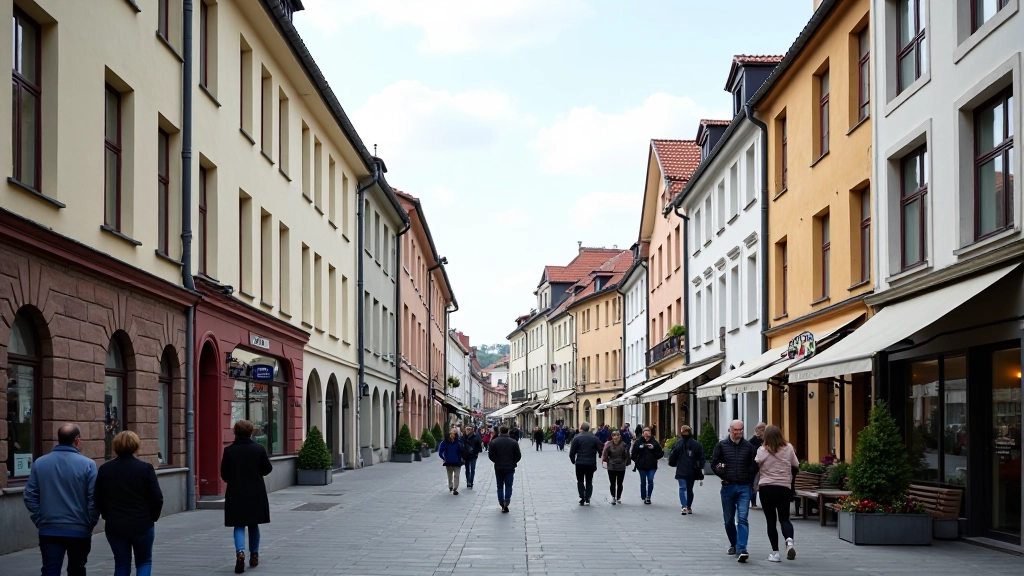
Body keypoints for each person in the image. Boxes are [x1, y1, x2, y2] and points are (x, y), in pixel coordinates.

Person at [23, 423, 99, 576]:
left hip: (49, 528)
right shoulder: (88, 465)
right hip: (79, 529)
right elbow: (94, 499)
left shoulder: (40, 463)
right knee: (77, 570)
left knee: (50, 570)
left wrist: (39, 518)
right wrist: (90, 521)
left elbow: (29, 495)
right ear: (77, 440)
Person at [95, 430, 164, 576]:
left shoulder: (105, 469)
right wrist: (152, 517)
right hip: (142, 523)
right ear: (136, 446)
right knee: (144, 561)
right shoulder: (145, 468)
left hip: (115, 524)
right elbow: (157, 497)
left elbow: (98, 497)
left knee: (121, 563)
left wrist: (107, 515)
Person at [221, 419, 273, 574]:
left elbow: (224, 474)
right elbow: (267, 469)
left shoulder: (229, 451)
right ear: (251, 432)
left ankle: (240, 553)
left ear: (235, 433)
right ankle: (254, 555)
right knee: (253, 524)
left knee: (238, 524)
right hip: (255, 491)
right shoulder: (258, 449)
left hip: (235, 492)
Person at [711, 420, 758, 563]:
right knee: (728, 520)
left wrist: (747, 476)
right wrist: (722, 473)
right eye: (735, 430)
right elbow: (714, 464)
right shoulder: (721, 446)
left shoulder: (749, 447)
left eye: (741, 430)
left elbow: (755, 465)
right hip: (727, 486)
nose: (738, 432)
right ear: (730, 430)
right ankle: (734, 543)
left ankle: (742, 548)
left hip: (744, 486)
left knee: (742, 518)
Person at [755, 425, 799, 562]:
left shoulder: (762, 450)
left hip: (767, 487)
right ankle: (789, 541)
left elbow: (755, 465)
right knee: (785, 518)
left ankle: (775, 553)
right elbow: (796, 465)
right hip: (784, 488)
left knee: (771, 520)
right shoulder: (789, 448)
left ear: (765, 437)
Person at [668, 425, 704, 515]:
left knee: (683, 488)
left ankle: (685, 506)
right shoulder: (696, 444)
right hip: (692, 469)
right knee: (688, 489)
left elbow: (672, 455)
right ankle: (687, 506)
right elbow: (702, 457)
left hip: (682, 468)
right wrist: (700, 468)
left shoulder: (679, 443)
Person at [488, 425, 522, 513]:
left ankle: (501, 502)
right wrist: (513, 462)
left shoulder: (494, 442)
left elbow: (490, 455)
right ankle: (507, 500)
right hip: (510, 467)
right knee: (508, 485)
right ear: (508, 431)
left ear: (500, 431)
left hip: (498, 467)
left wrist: (496, 461)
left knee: (499, 486)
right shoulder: (513, 442)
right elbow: (518, 456)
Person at [569, 422, 604, 505]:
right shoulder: (594, 438)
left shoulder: (577, 438)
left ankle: (582, 496)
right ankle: (587, 497)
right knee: (589, 480)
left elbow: (572, 451)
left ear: (581, 428)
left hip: (580, 462)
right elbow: (600, 448)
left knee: (580, 480)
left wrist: (573, 460)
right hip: (591, 463)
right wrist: (599, 455)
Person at [630, 427, 664, 505]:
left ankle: (648, 496)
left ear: (650, 434)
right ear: (642, 434)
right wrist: (637, 461)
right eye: (644, 433)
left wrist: (653, 449)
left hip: (652, 465)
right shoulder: (638, 442)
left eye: (648, 432)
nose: (646, 435)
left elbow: (660, 453)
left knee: (650, 480)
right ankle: (643, 496)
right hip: (641, 466)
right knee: (643, 481)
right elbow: (633, 453)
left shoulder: (655, 442)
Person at [601, 430, 631, 505]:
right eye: (614, 436)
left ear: (620, 437)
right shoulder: (609, 444)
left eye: (617, 436)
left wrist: (626, 462)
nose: (616, 437)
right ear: (612, 437)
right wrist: (605, 461)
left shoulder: (623, 445)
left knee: (620, 483)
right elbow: (605, 454)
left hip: (621, 466)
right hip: (611, 466)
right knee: (612, 482)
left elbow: (627, 454)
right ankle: (613, 496)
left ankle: (619, 497)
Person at [437, 428, 464, 495]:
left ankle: (455, 489)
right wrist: (443, 458)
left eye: (454, 432)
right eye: (452, 432)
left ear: (456, 434)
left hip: (457, 461)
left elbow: (463, 450)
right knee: (450, 475)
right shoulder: (445, 442)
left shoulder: (459, 441)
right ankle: (450, 486)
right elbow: (440, 451)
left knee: (456, 476)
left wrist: (462, 458)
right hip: (448, 461)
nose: (453, 434)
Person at [749, 422, 766, 509]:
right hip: (755, 466)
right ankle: (753, 502)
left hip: (763, 467)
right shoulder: (753, 441)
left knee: (761, 485)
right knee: (754, 484)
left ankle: (761, 503)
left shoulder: (767, 440)